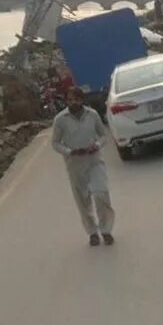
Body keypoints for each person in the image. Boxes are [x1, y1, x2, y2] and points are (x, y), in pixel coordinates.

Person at [51, 87, 114, 247]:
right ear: (66, 101)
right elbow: (55, 143)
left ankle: (106, 230)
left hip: (94, 161)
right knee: (83, 201)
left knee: (101, 194)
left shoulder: (92, 115)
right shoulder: (60, 119)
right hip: (75, 165)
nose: (73, 102)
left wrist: (97, 145)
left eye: (76, 99)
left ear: (81, 99)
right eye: (70, 99)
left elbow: (103, 134)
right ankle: (92, 232)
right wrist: (70, 152)